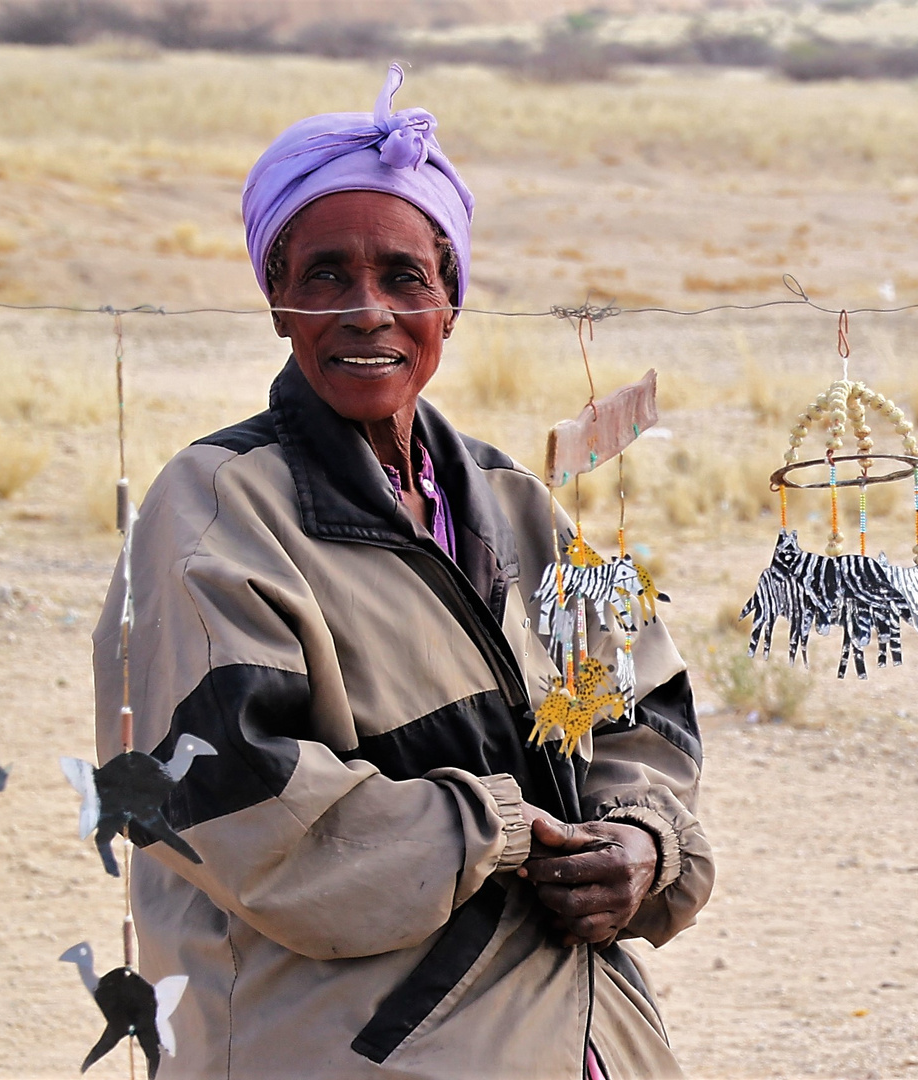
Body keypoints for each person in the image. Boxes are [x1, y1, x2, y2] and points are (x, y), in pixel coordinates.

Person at [91, 64, 712, 1079]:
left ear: (452, 305)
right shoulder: (215, 510)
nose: (367, 310)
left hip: (579, 1035)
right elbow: (238, 805)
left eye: (405, 277)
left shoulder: (514, 504)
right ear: (278, 304)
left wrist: (643, 845)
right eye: (325, 276)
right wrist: (498, 823)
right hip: (351, 1048)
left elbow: (639, 712)